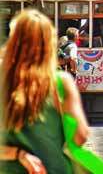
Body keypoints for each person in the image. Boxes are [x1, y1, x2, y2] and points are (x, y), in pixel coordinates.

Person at [0, 10, 90, 173]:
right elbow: (80, 136)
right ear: (49, 44)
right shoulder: (61, 82)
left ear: (13, 42)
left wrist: (19, 154)